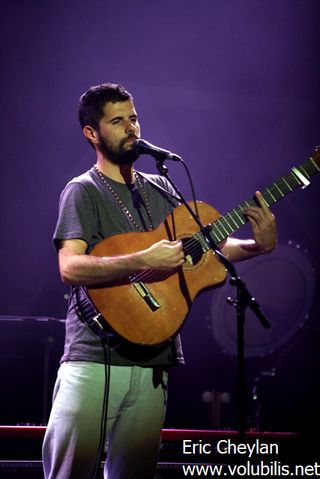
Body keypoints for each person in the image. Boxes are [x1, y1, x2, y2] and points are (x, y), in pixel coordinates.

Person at [42, 83, 277, 479]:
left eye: (133, 118)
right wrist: (142, 259)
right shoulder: (82, 191)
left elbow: (209, 248)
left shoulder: (164, 187)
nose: (131, 128)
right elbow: (70, 267)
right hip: (94, 359)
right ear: (92, 133)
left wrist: (257, 246)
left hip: (156, 362)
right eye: (117, 121)